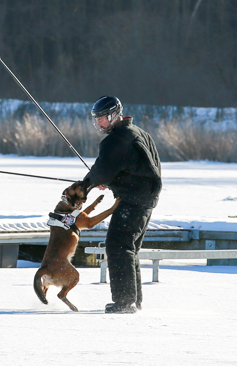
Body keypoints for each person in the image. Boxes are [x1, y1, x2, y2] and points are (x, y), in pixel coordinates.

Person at [83, 96, 162, 314]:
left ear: (114, 115)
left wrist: (87, 184)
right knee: (129, 249)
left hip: (133, 201)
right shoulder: (138, 133)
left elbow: (103, 169)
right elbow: (130, 167)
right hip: (145, 200)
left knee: (118, 246)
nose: (99, 123)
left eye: (102, 119)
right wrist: (107, 181)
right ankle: (133, 301)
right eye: (96, 119)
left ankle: (125, 302)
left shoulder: (116, 139)